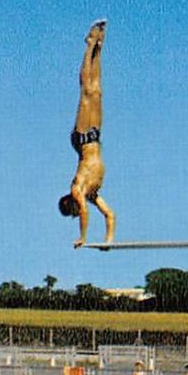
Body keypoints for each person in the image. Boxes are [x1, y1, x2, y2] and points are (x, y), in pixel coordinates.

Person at [59, 19, 115, 248]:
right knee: (97, 90)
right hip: (95, 137)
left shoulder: (77, 190)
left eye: (73, 212)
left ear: (70, 203)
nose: (77, 214)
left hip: (82, 139)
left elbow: (83, 211)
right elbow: (110, 216)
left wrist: (83, 237)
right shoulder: (93, 195)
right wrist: (108, 241)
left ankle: (90, 44)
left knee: (86, 90)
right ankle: (99, 50)